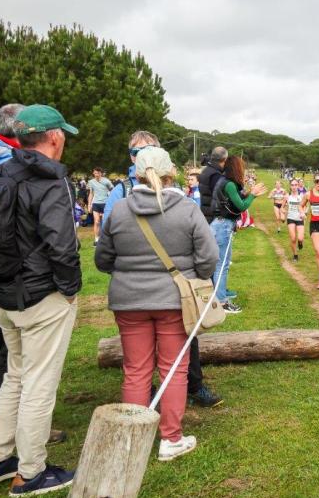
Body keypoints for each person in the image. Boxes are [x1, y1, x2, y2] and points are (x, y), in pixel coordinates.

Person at [0, 104, 81, 497]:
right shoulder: (50, 180)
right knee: (38, 381)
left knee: (16, 374)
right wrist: (70, 289)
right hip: (38, 295)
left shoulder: (0, 170)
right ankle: (31, 471)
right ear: (53, 137)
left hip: (1, 291)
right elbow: (61, 245)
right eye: (62, 133)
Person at [95, 146, 218, 462]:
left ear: (136, 172)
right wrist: (195, 276)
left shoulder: (120, 210)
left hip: (128, 301)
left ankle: (132, 440)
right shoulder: (187, 209)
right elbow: (208, 257)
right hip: (174, 300)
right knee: (174, 368)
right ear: (170, 173)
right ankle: (170, 439)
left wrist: (127, 274)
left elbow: (103, 259)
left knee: (136, 370)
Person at [209, 156, 267, 312]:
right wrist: (253, 195)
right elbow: (241, 206)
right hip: (223, 226)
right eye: (242, 166)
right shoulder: (229, 184)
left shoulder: (226, 182)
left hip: (219, 224)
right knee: (222, 265)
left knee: (221, 264)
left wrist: (249, 192)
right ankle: (221, 302)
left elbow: (235, 200)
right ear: (236, 168)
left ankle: (218, 295)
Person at [87, 167, 114, 245]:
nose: (96, 175)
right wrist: (89, 205)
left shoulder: (106, 181)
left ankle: (107, 238)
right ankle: (96, 239)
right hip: (96, 203)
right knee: (97, 221)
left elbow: (112, 190)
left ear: (101, 173)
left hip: (105, 204)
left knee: (106, 222)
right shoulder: (91, 182)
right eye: (95, 173)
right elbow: (91, 193)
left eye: (98, 173)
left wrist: (111, 201)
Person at [285, 179, 307, 262]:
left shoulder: (301, 196)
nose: (294, 187)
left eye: (295, 185)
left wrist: (304, 213)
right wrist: (283, 212)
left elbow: (305, 206)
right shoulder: (287, 196)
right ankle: (295, 255)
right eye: (292, 185)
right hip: (290, 218)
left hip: (299, 219)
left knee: (300, 238)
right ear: (290, 186)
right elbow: (283, 207)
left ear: (298, 186)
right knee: (293, 238)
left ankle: (300, 243)